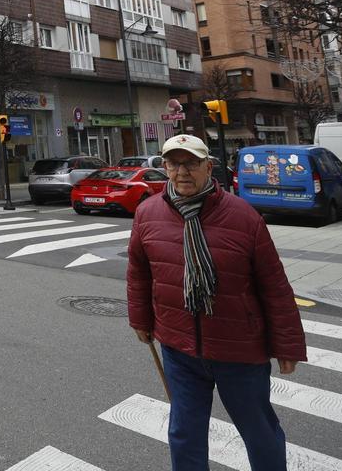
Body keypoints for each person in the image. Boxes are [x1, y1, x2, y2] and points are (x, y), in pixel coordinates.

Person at [127, 134, 306, 471]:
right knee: (185, 433)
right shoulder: (147, 213)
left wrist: (288, 345)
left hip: (239, 350)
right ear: (164, 167)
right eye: (174, 163)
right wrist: (140, 318)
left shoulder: (243, 216)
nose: (182, 171)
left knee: (260, 432)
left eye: (191, 163)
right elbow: (139, 271)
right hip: (179, 348)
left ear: (208, 167)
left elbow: (274, 285)